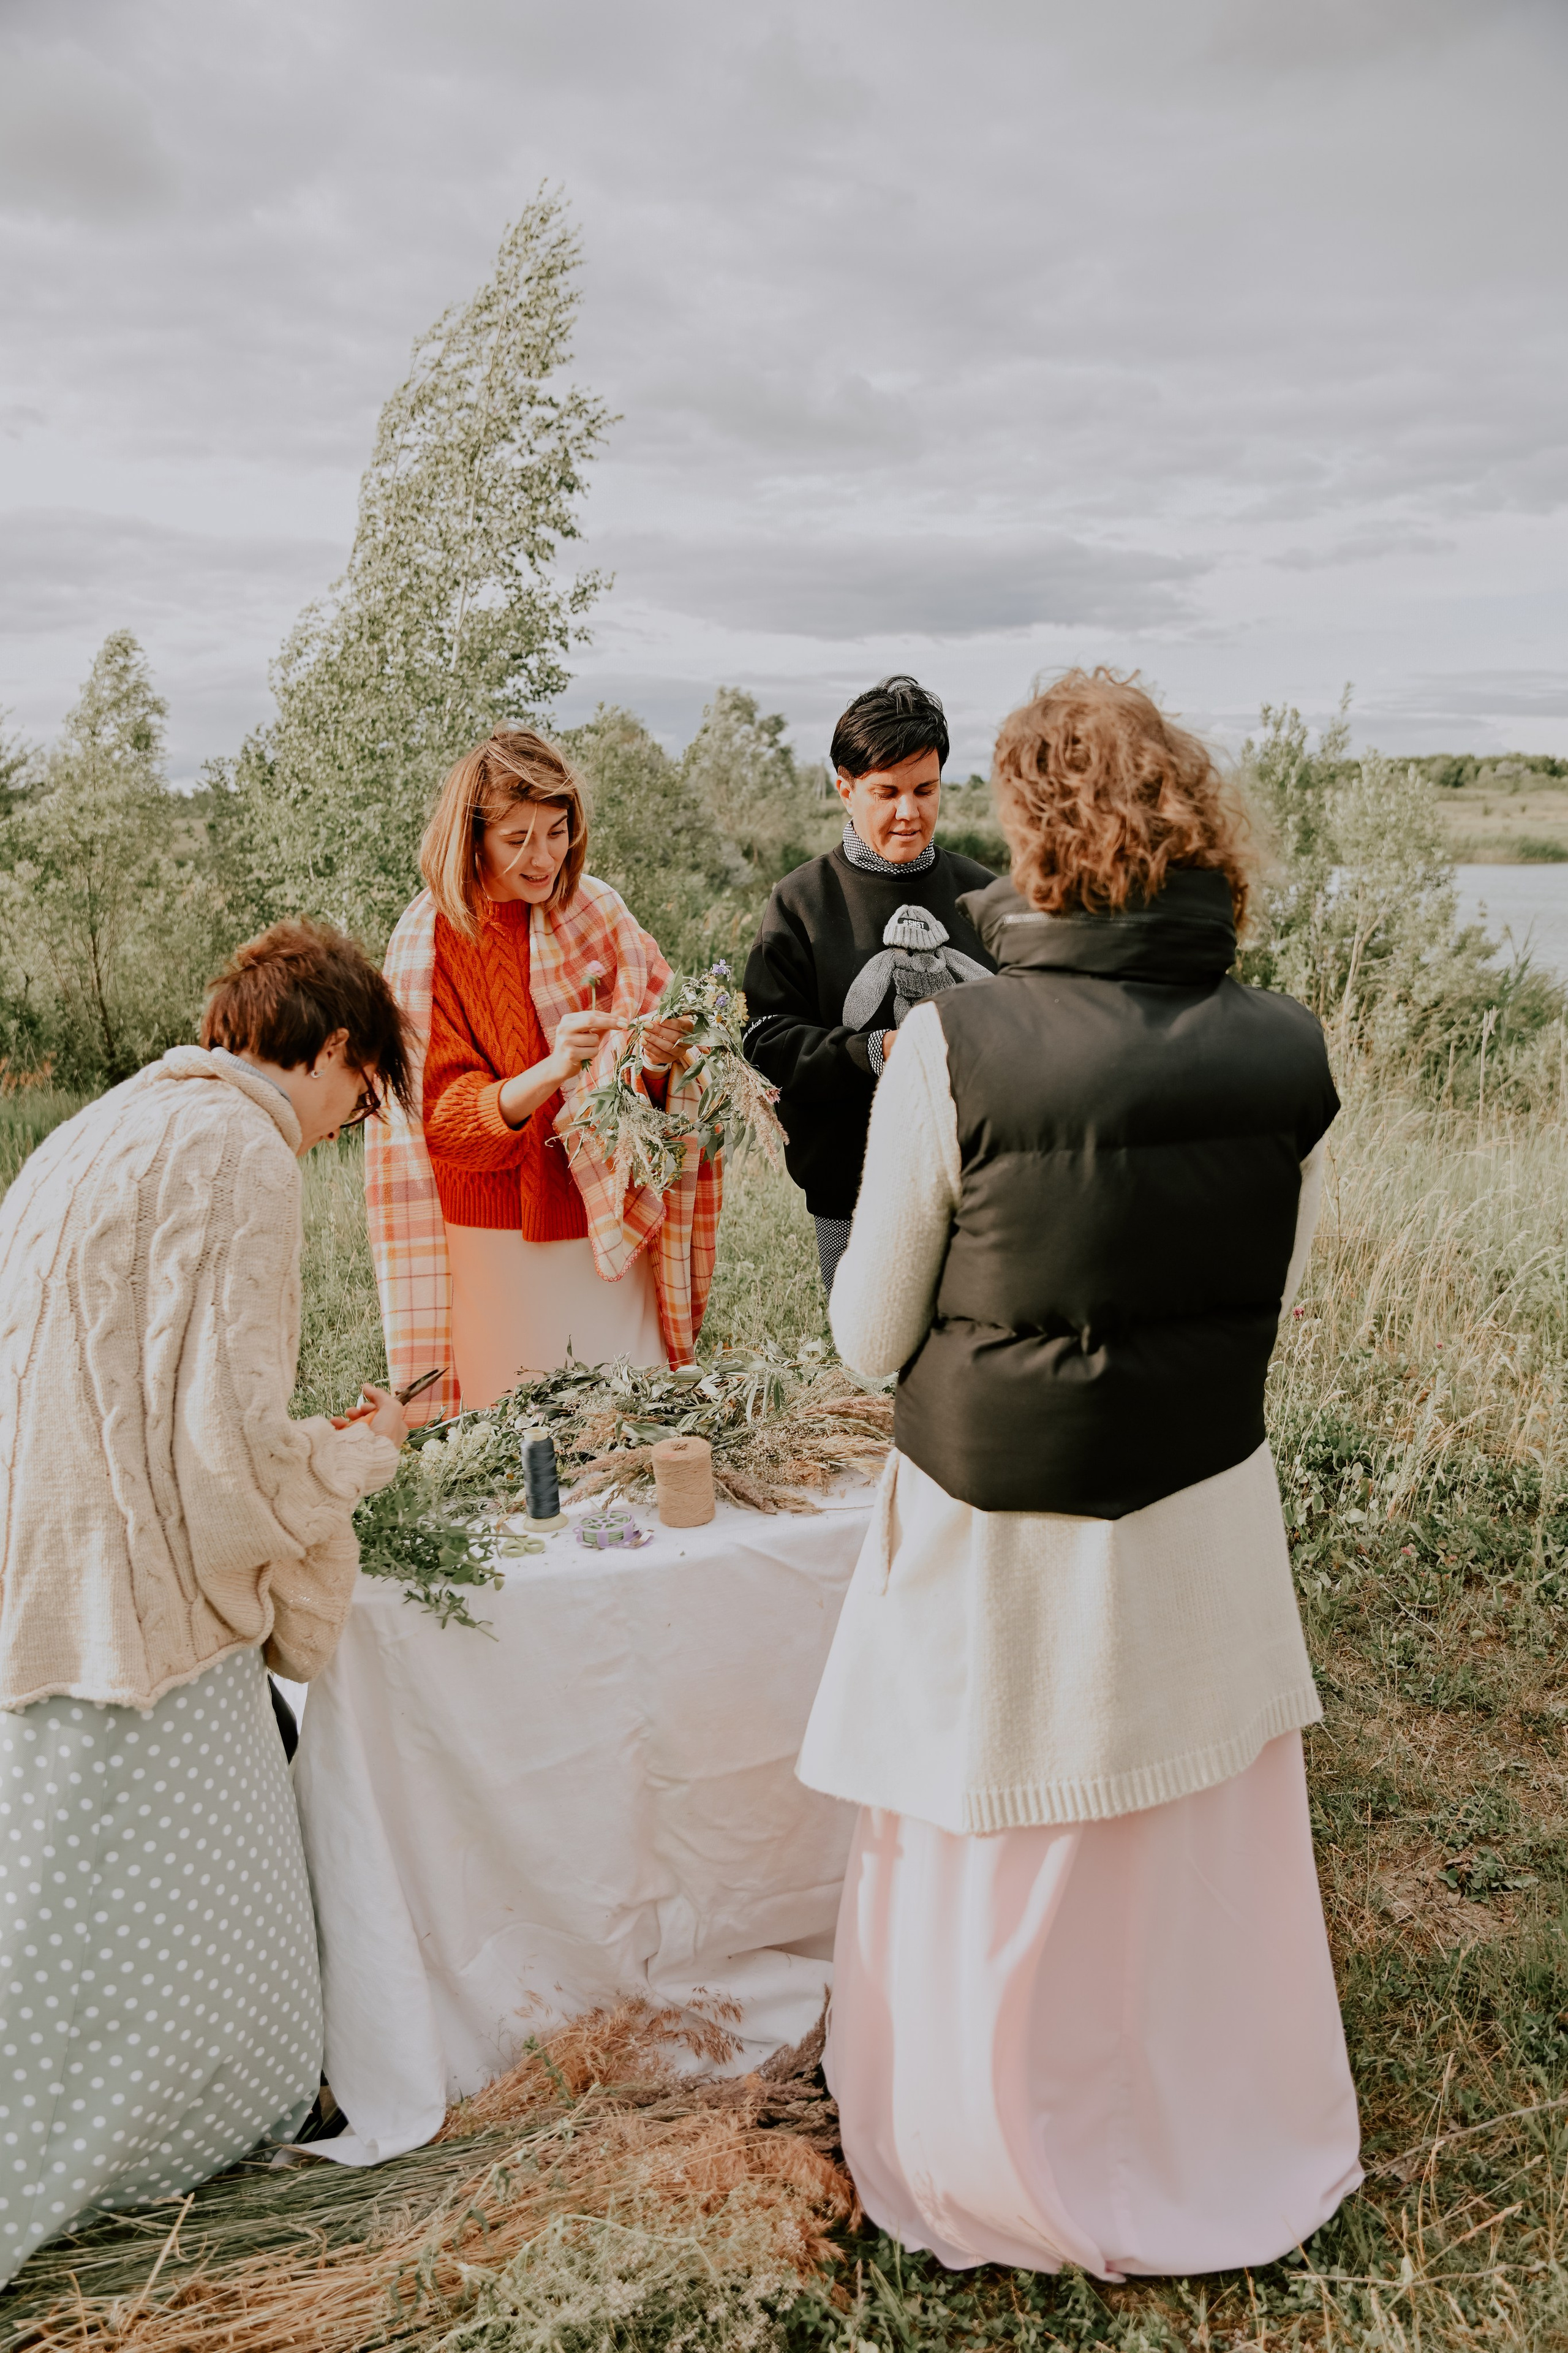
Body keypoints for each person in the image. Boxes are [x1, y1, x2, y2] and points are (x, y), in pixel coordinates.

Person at [798, 669, 1362, 2278]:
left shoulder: (954, 1047)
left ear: (1037, 837)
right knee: (1186, 1860)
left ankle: (995, 2156)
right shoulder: (1287, 1047)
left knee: (1005, 1844)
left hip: (1005, 1538)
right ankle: (1206, 2132)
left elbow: (864, 1337)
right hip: (1203, 1519)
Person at [0, 921, 414, 2282]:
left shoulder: (114, 1117)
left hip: (37, 1545)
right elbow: (223, 1448)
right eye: (365, 1095)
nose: (353, 1121)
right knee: (180, 1909)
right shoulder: (241, 1152)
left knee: (48, 1891)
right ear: (340, 1050)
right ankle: (165, 2137)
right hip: (133, 1581)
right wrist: (352, 1458)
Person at [367, 730, 719, 1421]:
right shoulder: (430, 941)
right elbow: (438, 1122)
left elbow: (664, 1084)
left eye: (558, 832)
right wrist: (553, 1070)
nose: (544, 857)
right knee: (517, 1450)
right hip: (493, 1241)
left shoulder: (602, 914)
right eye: (517, 839)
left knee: (631, 1424)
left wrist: (654, 1057)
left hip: (605, 1221)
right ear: (471, 840)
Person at [742, 676, 995, 1295]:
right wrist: (877, 1051)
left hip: (984, 1188)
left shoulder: (987, 897)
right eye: (886, 792)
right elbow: (767, 1041)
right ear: (844, 788)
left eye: (924, 790)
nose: (908, 812)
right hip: (851, 1191)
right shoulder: (800, 903)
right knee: (866, 1369)